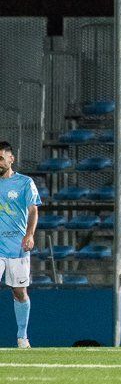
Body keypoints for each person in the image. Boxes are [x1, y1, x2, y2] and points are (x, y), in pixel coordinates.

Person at [0, 142, 40, 348]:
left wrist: (30, 235)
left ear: (11, 159)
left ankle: (22, 337)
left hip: (17, 248)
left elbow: (33, 211)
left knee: (19, 293)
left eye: (0, 159)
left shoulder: (25, 183)